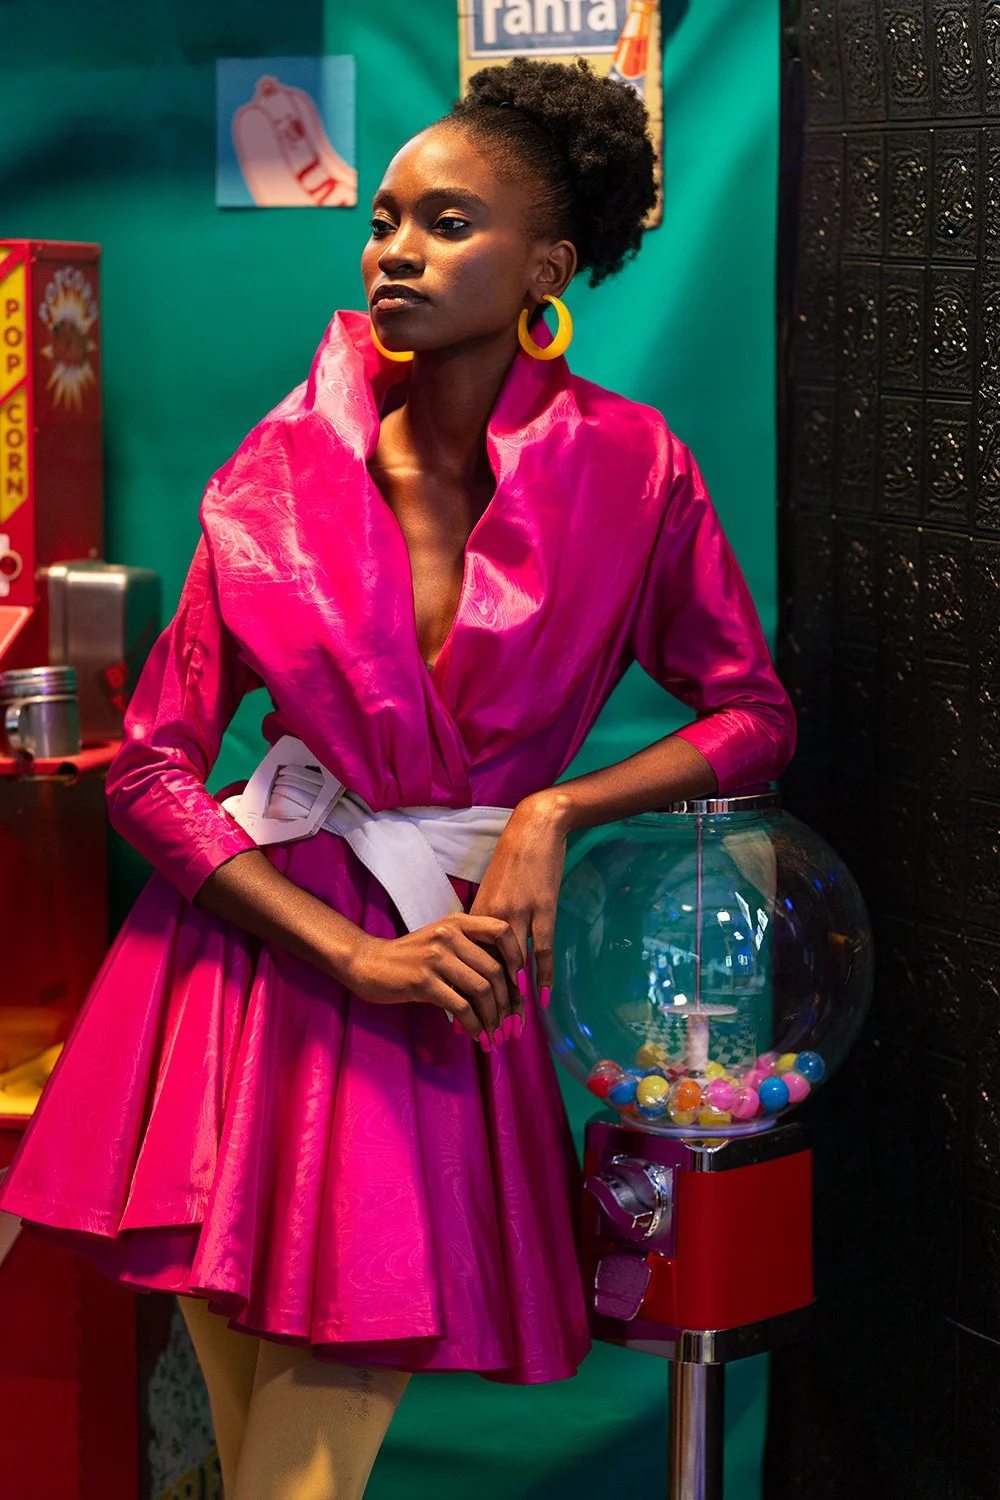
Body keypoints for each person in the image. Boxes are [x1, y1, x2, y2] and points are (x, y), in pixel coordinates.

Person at [0, 57, 795, 1500]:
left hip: (437, 981)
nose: (396, 252)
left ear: (548, 265)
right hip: (242, 964)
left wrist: (555, 811)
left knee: (294, 1464)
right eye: (382, 222)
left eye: (447, 222)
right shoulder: (277, 470)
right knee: (266, 1463)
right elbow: (154, 771)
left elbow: (753, 715)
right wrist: (348, 957)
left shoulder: (634, 471)